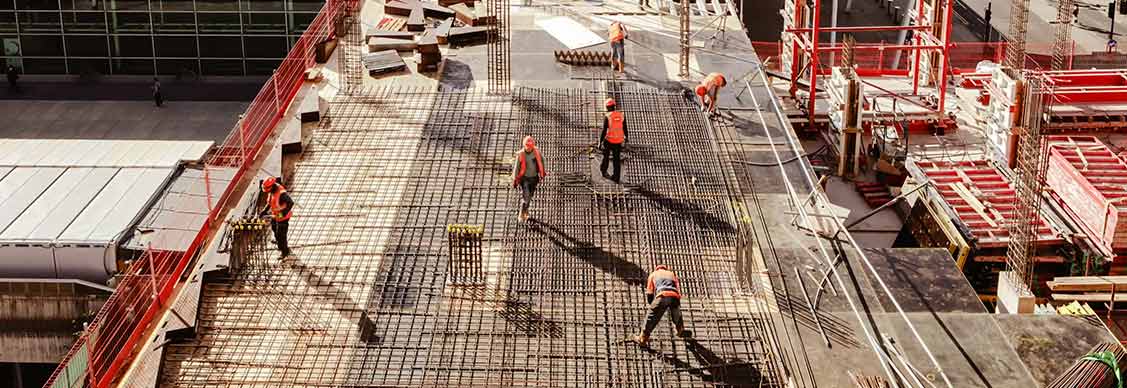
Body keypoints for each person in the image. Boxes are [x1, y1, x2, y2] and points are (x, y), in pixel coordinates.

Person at [636, 265, 688, 345]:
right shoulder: (672, 274)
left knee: (651, 315)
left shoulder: (653, 274)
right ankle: (680, 329)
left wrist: (653, 304)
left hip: (663, 294)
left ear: (657, 269)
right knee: (676, 312)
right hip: (675, 296)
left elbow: (650, 293)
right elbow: (677, 288)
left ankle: (643, 338)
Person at [512, 135, 546, 222]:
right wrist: (515, 178)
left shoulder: (536, 152)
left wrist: (543, 172)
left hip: (534, 178)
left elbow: (543, 161)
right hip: (525, 179)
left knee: (530, 196)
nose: (529, 149)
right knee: (526, 197)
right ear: (524, 146)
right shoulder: (521, 154)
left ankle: (526, 211)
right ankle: (521, 214)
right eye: (527, 146)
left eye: (530, 147)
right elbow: (516, 167)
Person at [260, 177, 293, 258]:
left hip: (283, 218)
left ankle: (285, 251)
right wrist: (264, 211)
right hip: (275, 216)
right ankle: (278, 241)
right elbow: (270, 202)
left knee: (281, 235)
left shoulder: (282, 194)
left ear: (271, 186)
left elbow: (291, 203)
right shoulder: (272, 190)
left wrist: (283, 214)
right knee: (274, 229)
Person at [600, 98, 627, 183]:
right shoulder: (621, 115)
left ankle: (603, 171)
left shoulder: (608, 116)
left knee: (606, 156)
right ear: (614, 106)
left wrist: (600, 142)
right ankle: (616, 177)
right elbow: (625, 128)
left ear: (607, 107)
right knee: (616, 159)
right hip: (618, 141)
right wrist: (626, 139)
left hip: (609, 140)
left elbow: (604, 130)